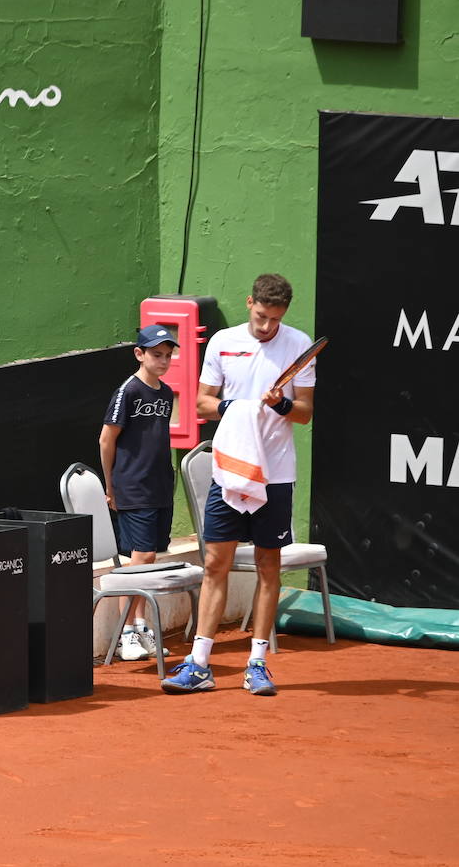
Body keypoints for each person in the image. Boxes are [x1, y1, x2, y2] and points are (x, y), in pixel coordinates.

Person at [162, 273, 316, 697]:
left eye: (275, 320)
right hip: (229, 469)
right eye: (262, 316)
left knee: (269, 566)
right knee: (215, 564)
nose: (267, 327)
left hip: (275, 472)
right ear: (250, 303)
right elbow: (201, 402)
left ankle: (258, 663)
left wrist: (281, 403)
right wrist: (237, 406)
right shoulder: (222, 342)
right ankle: (198, 664)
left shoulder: (299, 344)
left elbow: (304, 413)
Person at [99, 324, 179, 662]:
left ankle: (141, 625)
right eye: (156, 355)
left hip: (160, 486)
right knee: (140, 559)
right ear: (139, 354)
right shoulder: (127, 392)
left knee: (149, 560)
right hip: (133, 487)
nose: (163, 361)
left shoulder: (165, 393)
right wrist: (110, 485)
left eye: (167, 355)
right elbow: (106, 440)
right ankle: (126, 634)